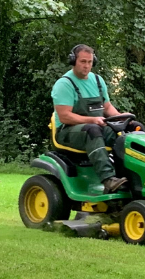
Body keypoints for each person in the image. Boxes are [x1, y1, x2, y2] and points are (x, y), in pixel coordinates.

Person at [52, 44, 129, 193]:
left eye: (89, 62)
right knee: (92, 130)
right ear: (73, 61)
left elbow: (107, 107)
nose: (86, 66)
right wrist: (91, 120)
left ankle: (129, 175)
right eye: (83, 61)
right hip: (67, 132)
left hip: (97, 126)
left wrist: (122, 118)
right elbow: (65, 116)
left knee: (130, 131)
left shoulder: (98, 81)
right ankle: (108, 179)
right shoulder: (64, 84)